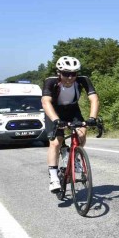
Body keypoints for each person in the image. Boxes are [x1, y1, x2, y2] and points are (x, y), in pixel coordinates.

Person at [42, 56, 100, 193]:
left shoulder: (82, 80)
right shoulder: (51, 82)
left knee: (82, 133)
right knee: (56, 142)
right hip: (54, 111)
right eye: (66, 73)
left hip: (72, 110)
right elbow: (46, 102)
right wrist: (56, 120)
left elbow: (94, 99)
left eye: (73, 74)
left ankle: (74, 158)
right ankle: (54, 177)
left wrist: (92, 118)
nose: (69, 77)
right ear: (59, 72)